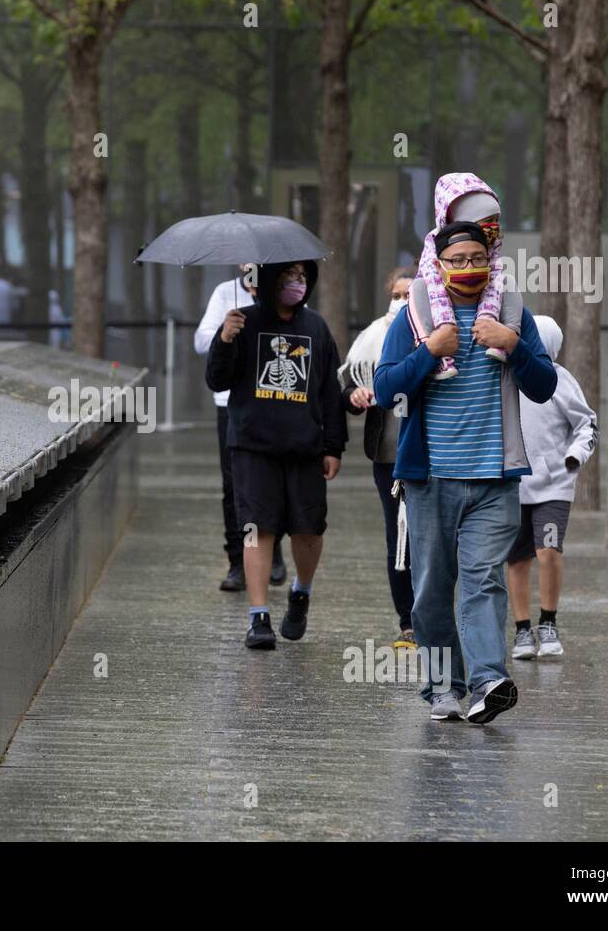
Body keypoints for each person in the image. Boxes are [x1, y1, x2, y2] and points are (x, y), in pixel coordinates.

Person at [374, 219, 556, 723]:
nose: (469, 268)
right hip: (429, 479)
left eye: (478, 257)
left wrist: (513, 344)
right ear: (438, 264)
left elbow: (544, 386)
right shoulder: (416, 317)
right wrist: (429, 353)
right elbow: (386, 389)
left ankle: (486, 682)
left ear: (492, 258)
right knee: (432, 587)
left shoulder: (514, 313)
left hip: (495, 480)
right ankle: (442, 687)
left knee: (482, 581)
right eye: (457, 260)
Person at [206, 260, 346, 649]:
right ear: (269, 280)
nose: (296, 283)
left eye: (302, 277)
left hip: (304, 448)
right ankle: (258, 617)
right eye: (288, 276)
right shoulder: (242, 322)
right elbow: (217, 380)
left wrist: (333, 446)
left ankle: (301, 591)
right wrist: (224, 340)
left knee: (309, 529)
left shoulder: (316, 327)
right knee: (258, 527)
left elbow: (330, 392)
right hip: (253, 447)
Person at [506, 315, 597, 660]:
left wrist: (574, 457)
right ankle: (522, 630)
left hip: (553, 486)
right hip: (511, 485)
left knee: (548, 551)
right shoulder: (505, 375)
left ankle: (548, 622)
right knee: (516, 558)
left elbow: (587, 424)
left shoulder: (560, 381)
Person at [195, 265, 289, 591]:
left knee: (272, 484)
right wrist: (227, 329)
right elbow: (200, 340)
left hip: (274, 402)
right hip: (231, 406)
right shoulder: (225, 292)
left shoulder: (285, 293)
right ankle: (237, 561)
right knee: (235, 487)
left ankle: (273, 551)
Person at [339, 266, 415, 649]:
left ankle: (435, 614)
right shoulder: (373, 335)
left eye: (410, 294)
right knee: (396, 535)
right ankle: (408, 621)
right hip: (387, 454)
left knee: (429, 538)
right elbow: (349, 379)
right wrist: (354, 395)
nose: (401, 302)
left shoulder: (437, 333)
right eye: (397, 294)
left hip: (434, 455)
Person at [409, 174, 522, 379]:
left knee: (508, 282)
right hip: (435, 340)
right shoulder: (421, 291)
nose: (494, 228)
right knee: (417, 287)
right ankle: (434, 350)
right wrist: (431, 349)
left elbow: (544, 386)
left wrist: (510, 341)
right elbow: (386, 390)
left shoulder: (504, 290)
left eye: (497, 221)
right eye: (488, 221)